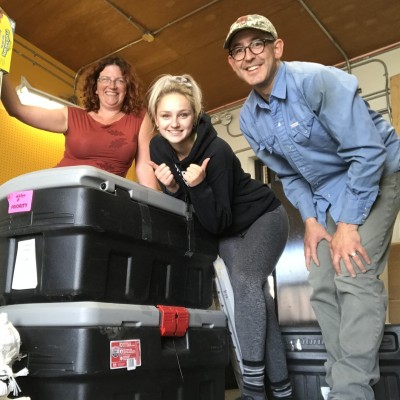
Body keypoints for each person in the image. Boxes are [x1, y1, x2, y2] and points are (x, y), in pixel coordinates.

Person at [224, 14, 400, 400]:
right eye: (238, 50)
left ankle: (350, 392)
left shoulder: (317, 81)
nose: (249, 55)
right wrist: (312, 220)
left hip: (374, 172)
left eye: (257, 44)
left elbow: (367, 153)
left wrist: (349, 224)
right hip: (324, 192)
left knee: (352, 274)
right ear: (232, 63)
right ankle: (340, 383)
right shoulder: (250, 120)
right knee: (321, 282)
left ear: (277, 48)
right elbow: (290, 176)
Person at [147, 73, 294, 400]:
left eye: (183, 114)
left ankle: (254, 391)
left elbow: (218, 220)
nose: (174, 124)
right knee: (259, 301)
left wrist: (196, 185)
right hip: (227, 231)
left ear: (195, 115)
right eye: (166, 116)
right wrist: (171, 189)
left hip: (263, 218)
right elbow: (188, 215)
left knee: (244, 281)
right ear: (155, 119)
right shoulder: (158, 148)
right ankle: (283, 391)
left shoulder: (218, 151)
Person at [0, 9, 157, 189]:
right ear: (96, 87)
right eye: (105, 79)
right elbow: (17, 109)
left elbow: (145, 167)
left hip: (103, 201)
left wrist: (153, 210)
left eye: (119, 80)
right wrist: (1, 67)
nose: (111, 86)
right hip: (59, 189)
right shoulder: (72, 116)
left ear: (127, 87)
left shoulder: (139, 118)